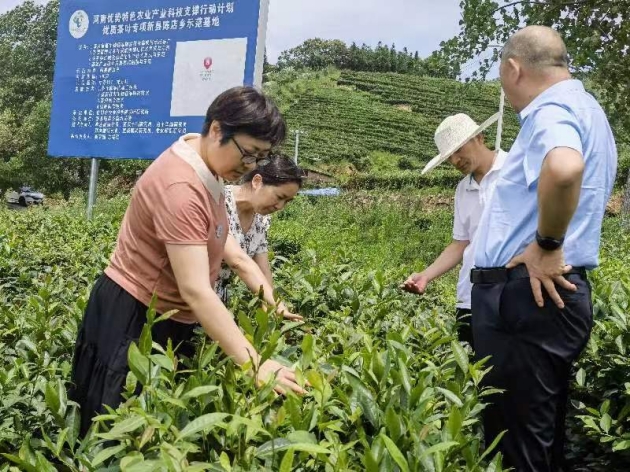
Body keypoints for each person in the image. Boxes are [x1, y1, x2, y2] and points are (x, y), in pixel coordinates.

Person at [69, 86, 307, 437]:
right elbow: (196, 289)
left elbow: (233, 253)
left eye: (260, 157)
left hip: (170, 315)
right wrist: (255, 363)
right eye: (248, 153)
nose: (250, 166)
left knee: (161, 423)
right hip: (135, 314)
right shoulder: (180, 187)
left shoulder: (208, 166)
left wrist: (271, 301)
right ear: (217, 129)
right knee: (114, 426)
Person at [470, 26, 617, 471]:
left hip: (527, 295)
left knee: (514, 446)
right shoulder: (589, 110)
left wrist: (547, 245)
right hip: (549, 297)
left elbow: (565, 168)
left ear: (513, 69)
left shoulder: (549, 110)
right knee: (538, 437)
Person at [402, 112, 506, 349]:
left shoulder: (516, 171)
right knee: (472, 367)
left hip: (513, 295)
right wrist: (426, 275)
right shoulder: (463, 189)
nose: (456, 160)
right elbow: (461, 243)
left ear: (480, 137)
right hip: (471, 297)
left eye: (459, 149)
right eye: (449, 156)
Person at [216, 155, 304, 322]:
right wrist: (277, 305)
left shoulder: (261, 220)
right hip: (187, 297)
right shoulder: (217, 202)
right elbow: (238, 261)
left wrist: (271, 310)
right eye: (279, 197)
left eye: (287, 201)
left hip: (218, 302)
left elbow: (263, 270)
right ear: (257, 181)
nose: (280, 206)